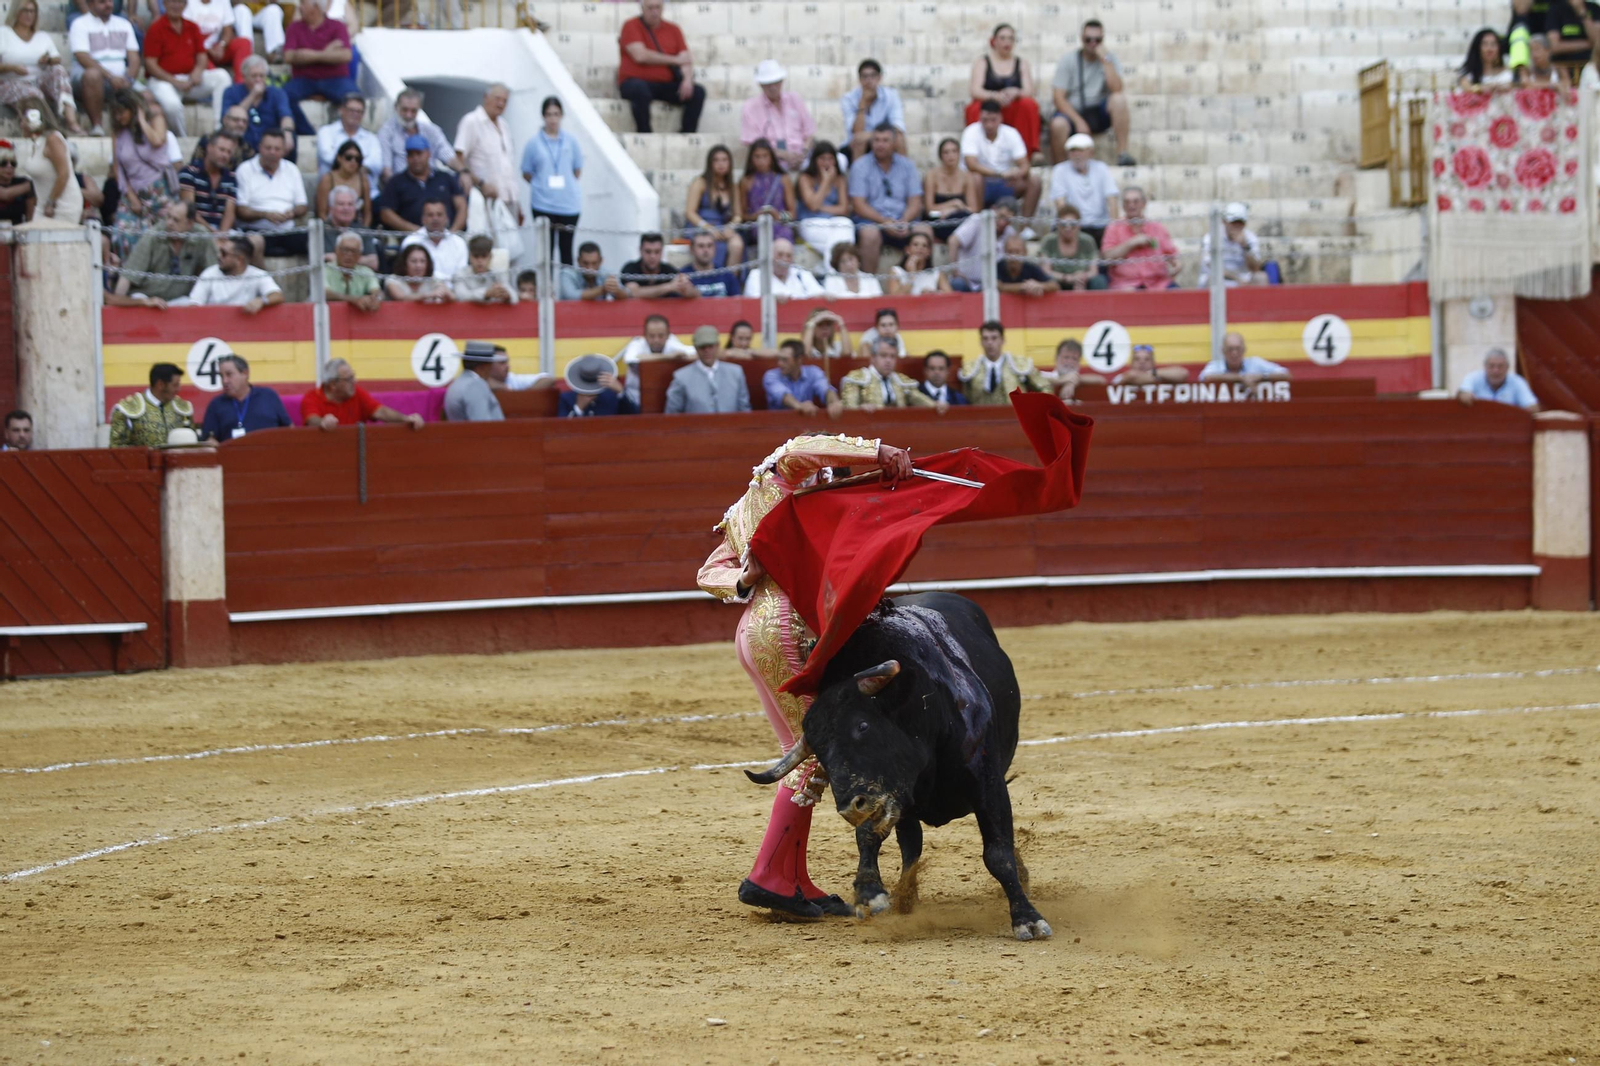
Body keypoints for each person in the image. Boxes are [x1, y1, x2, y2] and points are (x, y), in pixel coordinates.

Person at [696, 432, 913, 919]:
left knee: (800, 752)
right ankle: (768, 878)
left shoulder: (744, 508)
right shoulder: (786, 475)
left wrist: (742, 580)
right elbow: (800, 447)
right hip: (785, 628)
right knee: (815, 754)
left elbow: (708, 571)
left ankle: (792, 879)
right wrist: (878, 452)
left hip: (753, 630)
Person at [847, 123, 931, 273]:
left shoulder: (908, 166)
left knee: (925, 230)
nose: (880, 145)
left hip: (903, 220)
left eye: (885, 140)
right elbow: (858, 205)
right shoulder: (860, 166)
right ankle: (870, 282)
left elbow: (915, 201)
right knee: (869, 234)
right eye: (877, 140)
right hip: (873, 221)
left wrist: (904, 221)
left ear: (894, 143)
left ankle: (921, 281)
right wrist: (884, 221)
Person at [1049, 19, 1133, 166]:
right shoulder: (1068, 60)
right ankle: (1061, 167)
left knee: (1119, 100)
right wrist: (1078, 121)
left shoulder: (1109, 58)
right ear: (1082, 38)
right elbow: (1058, 98)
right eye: (1088, 39)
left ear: (1102, 39)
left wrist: (1105, 61)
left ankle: (1122, 154)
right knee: (1057, 124)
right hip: (1074, 112)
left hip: (1098, 111)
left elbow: (1117, 89)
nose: (1093, 43)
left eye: (1097, 40)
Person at [142, 0, 229, 136]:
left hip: (189, 79)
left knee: (222, 76)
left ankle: (219, 128)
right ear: (165, 4)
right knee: (172, 106)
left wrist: (197, 72)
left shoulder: (192, 26)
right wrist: (175, 81)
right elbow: (150, 64)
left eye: (180, 2)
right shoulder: (156, 28)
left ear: (185, 5)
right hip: (163, 81)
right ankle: (182, 138)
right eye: (172, 2)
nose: (176, 5)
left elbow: (202, 56)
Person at [106, 200, 216, 307]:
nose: (169, 223)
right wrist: (117, 304)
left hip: (179, 300)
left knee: (193, 304)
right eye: (168, 217)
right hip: (147, 299)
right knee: (138, 298)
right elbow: (128, 275)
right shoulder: (154, 235)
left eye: (176, 220)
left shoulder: (201, 237)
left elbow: (214, 274)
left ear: (189, 224)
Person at [617, 0, 703, 134]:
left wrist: (687, 80)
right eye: (650, 8)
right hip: (634, 81)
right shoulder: (630, 26)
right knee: (639, 90)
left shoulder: (673, 29)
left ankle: (687, 134)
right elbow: (640, 56)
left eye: (658, 7)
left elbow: (685, 59)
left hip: (664, 84)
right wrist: (675, 60)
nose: (654, 12)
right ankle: (645, 133)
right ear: (642, 8)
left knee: (697, 92)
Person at [109, 90, 175, 257]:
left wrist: (141, 120)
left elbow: (157, 141)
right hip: (132, 191)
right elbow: (118, 168)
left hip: (159, 190)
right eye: (115, 113)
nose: (118, 117)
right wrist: (131, 197)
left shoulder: (156, 119)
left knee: (163, 240)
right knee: (123, 236)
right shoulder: (117, 132)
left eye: (122, 112)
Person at [519, 95, 583, 265]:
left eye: (556, 114)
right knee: (545, 254)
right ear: (543, 116)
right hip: (543, 204)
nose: (553, 119)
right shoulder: (534, 143)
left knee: (566, 252)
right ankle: (547, 284)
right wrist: (542, 184)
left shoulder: (571, 141)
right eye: (549, 114)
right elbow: (526, 172)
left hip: (568, 204)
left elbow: (577, 170)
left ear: (561, 116)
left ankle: (566, 282)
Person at [1, 0, 82, 133]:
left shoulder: (42, 36)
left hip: (38, 79)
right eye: (25, 11)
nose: (29, 15)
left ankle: (71, 121)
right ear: (16, 12)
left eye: (32, 11)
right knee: (34, 93)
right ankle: (52, 129)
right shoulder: (4, 33)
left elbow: (57, 58)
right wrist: (12, 68)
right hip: (10, 82)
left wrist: (48, 60)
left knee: (59, 71)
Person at [964, 23, 1040, 157]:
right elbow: (975, 90)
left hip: (1012, 105)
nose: (1007, 42)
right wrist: (995, 96)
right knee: (975, 108)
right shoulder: (982, 62)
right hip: (990, 103)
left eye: (1011, 38)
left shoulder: (1022, 63)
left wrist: (1016, 92)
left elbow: (1029, 90)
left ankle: (1027, 153)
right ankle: (976, 153)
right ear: (994, 41)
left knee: (1029, 105)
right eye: (1003, 38)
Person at [282, 0, 357, 135]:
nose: (300, 7)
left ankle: (343, 134)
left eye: (303, 3)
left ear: (315, 7)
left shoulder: (337, 26)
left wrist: (309, 55)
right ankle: (307, 133)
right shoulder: (294, 27)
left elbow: (346, 55)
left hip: (335, 80)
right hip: (304, 80)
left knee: (354, 99)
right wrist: (327, 53)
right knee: (283, 97)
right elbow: (288, 56)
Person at [67, 0, 139, 135]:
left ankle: (137, 135)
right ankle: (97, 126)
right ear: (91, 4)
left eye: (110, 1)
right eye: (102, 2)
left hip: (122, 78)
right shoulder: (79, 24)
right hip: (90, 77)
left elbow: (134, 58)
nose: (109, 5)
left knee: (148, 96)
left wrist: (129, 79)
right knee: (92, 75)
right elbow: (82, 57)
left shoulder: (124, 24)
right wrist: (110, 77)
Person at [961, 99, 1040, 220]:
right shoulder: (971, 131)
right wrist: (999, 174)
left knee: (1034, 181)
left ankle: (1025, 226)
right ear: (980, 118)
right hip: (982, 184)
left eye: (993, 120)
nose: (989, 125)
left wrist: (1017, 174)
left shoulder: (1011, 133)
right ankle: (977, 222)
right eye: (985, 120)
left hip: (1006, 183)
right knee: (975, 178)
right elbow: (971, 164)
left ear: (1000, 118)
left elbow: (1024, 164)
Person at [454, 82, 521, 224]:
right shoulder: (471, 122)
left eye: (505, 101)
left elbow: (507, 165)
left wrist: (517, 202)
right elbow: (458, 160)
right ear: (486, 97)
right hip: (485, 200)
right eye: (497, 99)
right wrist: (481, 184)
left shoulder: (504, 125)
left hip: (509, 198)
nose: (501, 104)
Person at [234, 128, 307, 258]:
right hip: (256, 231)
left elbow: (302, 206)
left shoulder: (292, 169)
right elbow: (241, 210)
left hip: (287, 231)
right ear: (260, 147)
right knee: (252, 243)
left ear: (284, 151)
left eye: (277, 149)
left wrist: (292, 213)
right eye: (268, 148)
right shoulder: (245, 169)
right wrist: (265, 215)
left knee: (314, 241)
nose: (272, 152)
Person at [303, 357, 426, 430]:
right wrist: (323, 423)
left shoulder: (356, 393)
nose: (354, 381)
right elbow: (312, 420)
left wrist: (406, 419)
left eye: (353, 377)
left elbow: (380, 412)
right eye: (348, 379)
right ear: (332, 384)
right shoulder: (312, 397)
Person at [740, 59, 814, 173]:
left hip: (802, 156)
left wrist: (802, 154)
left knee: (837, 161)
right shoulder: (751, 107)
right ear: (761, 85)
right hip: (772, 159)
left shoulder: (795, 99)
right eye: (768, 84)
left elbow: (809, 133)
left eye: (776, 82)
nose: (772, 87)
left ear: (782, 81)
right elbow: (754, 144)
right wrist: (785, 155)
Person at [198, 352, 291, 440]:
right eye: (221, 376)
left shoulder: (268, 396)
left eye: (229, 374)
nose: (224, 381)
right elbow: (209, 439)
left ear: (245, 373)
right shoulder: (216, 404)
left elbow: (289, 429)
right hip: (231, 451)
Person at [380, 136, 465, 231]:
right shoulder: (396, 182)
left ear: (428, 154)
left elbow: (461, 206)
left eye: (419, 153)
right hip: (410, 236)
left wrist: (452, 233)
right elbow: (386, 212)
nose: (415, 158)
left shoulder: (445, 178)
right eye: (411, 155)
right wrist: (417, 232)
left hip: (447, 234)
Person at [377, 88, 465, 181]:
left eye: (413, 111)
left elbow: (448, 156)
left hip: (432, 183)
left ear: (419, 110)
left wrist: (464, 172)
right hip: (403, 184)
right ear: (396, 108)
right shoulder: (386, 133)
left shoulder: (431, 130)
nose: (408, 115)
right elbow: (386, 169)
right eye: (404, 110)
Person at [1101, 186, 1179, 291]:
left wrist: (1177, 266)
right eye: (1127, 202)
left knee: (1178, 294)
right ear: (1123, 206)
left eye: (1135, 201)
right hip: (1126, 285)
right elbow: (1107, 257)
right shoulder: (1114, 228)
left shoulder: (1157, 227)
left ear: (1144, 204)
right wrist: (1131, 243)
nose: (1131, 205)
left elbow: (1173, 256)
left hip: (1158, 284)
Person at [1049, 131, 1118, 246]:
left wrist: (1114, 228)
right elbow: (1060, 204)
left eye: (1080, 150)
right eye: (1073, 151)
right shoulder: (1060, 170)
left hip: (1099, 225)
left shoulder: (1101, 168)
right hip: (1072, 226)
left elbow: (1112, 199)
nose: (1076, 154)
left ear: (1090, 152)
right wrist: (1071, 226)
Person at [664, 324, 751, 414]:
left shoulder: (736, 373)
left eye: (710, 346)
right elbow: (673, 414)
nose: (707, 350)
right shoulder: (681, 377)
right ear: (696, 348)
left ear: (717, 346)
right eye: (702, 347)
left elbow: (744, 410)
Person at [15, 103, 79, 221]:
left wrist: (50, 203)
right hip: (42, 205)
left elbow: (63, 174)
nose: (21, 125)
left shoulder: (53, 139)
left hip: (61, 205)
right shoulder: (37, 143)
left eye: (22, 120)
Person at [795, 139, 853, 269]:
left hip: (834, 222)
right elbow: (812, 205)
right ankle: (838, 273)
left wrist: (821, 208)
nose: (826, 163)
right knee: (839, 243)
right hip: (811, 222)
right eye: (822, 159)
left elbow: (844, 209)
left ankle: (831, 273)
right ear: (814, 160)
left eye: (830, 159)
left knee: (847, 224)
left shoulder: (840, 179)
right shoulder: (805, 178)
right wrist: (826, 181)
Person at [961, 319, 1048, 404]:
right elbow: (963, 398)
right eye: (985, 339)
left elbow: (1045, 387)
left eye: (994, 338)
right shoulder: (970, 369)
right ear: (981, 342)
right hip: (980, 413)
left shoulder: (1020, 364)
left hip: (1014, 413)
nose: (990, 342)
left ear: (1002, 340)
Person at [220, 56, 294, 155]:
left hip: (269, 139)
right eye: (254, 76)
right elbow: (227, 119)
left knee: (290, 136)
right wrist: (252, 95)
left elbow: (286, 115)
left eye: (261, 76)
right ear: (244, 77)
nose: (258, 80)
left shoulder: (277, 93)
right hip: (243, 137)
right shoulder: (231, 92)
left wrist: (287, 132)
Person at [616, 312, 694, 407]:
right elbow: (630, 360)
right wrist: (668, 357)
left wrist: (681, 358)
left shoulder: (672, 343)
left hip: (666, 398)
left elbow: (695, 353)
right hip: (635, 400)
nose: (656, 340)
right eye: (652, 336)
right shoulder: (637, 344)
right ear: (644, 336)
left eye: (661, 336)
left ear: (668, 335)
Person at [684, 143, 743, 268]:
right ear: (710, 163)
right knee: (714, 244)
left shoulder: (733, 186)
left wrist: (731, 227)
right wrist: (708, 228)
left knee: (737, 244)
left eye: (724, 160)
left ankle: (729, 278)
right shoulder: (700, 182)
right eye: (716, 160)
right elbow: (690, 212)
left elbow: (738, 215)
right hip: (701, 226)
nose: (721, 164)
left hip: (723, 228)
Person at [188, 235, 284, 310]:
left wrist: (261, 301)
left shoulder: (257, 274)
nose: (219, 256)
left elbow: (277, 295)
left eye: (224, 253)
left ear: (239, 260)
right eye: (220, 251)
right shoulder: (209, 273)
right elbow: (194, 304)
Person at [109, 362, 195, 447]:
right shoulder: (127, 409)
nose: (178, 389)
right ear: (160, 384)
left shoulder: (183, 409)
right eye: (175, 385)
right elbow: (117, 449)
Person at [947, 196, 1018, 291]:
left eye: (1008, 220)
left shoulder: (1010, 233)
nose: (1003, 223)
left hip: (992, 285)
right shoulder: (977, 221)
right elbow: (953, 241)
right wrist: (955, 271)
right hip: (966, 281)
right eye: (1001, 216)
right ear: (993, 209)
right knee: (957, 284)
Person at [841, 337, 932, 410]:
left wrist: (936, 405)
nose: (888, 361)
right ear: (873, 358)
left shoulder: (902, 382)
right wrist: (860, 409)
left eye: (892, 356)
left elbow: (922, 400)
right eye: (883, 355)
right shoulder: (857, 379)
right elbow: (849, 408)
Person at [841, 58, 904, 159]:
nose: (869, 80)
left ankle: (903, 169)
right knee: (859, 140)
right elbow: (856, 131)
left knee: (899, 137)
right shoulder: (848, 98)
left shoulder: (891, 95)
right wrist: (862, 104)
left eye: (873, 76)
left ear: (879, 78)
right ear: (859, 79)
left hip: (884, 137)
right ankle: (859, 170)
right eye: (865, 76)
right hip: (857, 143)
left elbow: (898, 126)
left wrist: (875, 135)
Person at [315, 92, 381, 186]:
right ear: (341, 110)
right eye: (351, 110)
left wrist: (347, 163)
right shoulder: (326, 132)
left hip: (365, 191)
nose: (355, 114)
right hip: (333, 190)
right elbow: (327, 156)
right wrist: (359, 163)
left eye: (359, 111)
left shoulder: (371, 138)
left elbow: (376, 164)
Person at [764, 338, 841, 416]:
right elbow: (782, 395)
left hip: (806, 421)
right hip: (779, 422)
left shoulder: (813, 372)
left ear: (799, 359)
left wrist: (833, 402)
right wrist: (799, 406)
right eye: (779, 359)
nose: (779, 363)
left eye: (785, 360)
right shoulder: (771, 375)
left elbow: (826, 389)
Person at [739, 137, 795, 244]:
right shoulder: (746, 181)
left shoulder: (783, 179)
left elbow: (792, 213)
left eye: (765, 156)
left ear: (771, 157)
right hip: (757, 227)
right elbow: (743, 215)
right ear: (751, 158)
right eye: (757, 156)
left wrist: (778, 216)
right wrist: (756, 216)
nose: (761, 161)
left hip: (780, 227)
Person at [178, 127, 236, 230]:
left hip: (221, 233)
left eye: (229, 152)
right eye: (221, 150)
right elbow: (190, 212)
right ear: (209, 147)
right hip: (194, 231)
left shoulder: (231, 178)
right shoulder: (189, 173)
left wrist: (222, 235)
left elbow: (229, 214)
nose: (225, 155)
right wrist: (212, 233)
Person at [1198, 202, 1265, 288]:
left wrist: (1245, 247)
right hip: (1220, 279)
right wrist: (1236, 279)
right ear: (1224, 221)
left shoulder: (1250, 238)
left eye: (1240, 222)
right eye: (1233, 222)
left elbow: (1256, 269)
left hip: (1244, 279)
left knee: (1261, 277)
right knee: (1213, 279)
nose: (1237, 226)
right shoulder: (1211, 238)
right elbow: (1212, 267)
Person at [923, 135, 979, 238]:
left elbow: (973, 209)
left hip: (960, 220)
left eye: (954, 151)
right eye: (946, 152)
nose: (951, 155)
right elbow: (929, 209)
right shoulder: (932, 176)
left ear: (959, 154)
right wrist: (953, 203)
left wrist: (953, 210)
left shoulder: (966, 177)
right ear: (940, 156)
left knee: (969, 220)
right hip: (938, 219)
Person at [399, 199, 469, 278]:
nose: (435, 218)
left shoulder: (459, 243)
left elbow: (461, 276)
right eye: (430, 215)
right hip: (422, 286)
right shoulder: (410, 241)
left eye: (439, 215)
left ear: (447, 218)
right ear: (423, 219)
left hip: (453, 286)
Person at [1040, 206, 1105, 290]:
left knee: (1099, 281)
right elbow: (1046, 271)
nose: (1068, 228)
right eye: (1063, 224)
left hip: (1083, 280)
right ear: (1057, 225)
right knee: (1048, 280)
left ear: (1079, 225)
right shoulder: (1049, 241)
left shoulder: (1088, 241)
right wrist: (1067, 278)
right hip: (1058, 281)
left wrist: (1082, 277)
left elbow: (1094, 271)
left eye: (1073, 224)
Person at [314, 136, 373, 227]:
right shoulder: (328, 179)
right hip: (331, 227)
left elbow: (367, 213)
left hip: (356, 227)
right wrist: (331, 230)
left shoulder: (363, 180)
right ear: (339, 158)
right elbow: (321, 213)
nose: (353, 161)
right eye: (349, 157)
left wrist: (364, 230)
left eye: (357, 159)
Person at [186, 0, 249, 83]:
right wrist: (208, 49)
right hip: (197, 50)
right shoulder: (188, 3)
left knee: (244, 43)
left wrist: (222, 45)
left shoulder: (223, 1)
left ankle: (241, 82)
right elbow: (187, 34)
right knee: (214, 73)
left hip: (216, 47)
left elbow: (228, 28)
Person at [1456, 347, 1540, 410]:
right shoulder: (1473, 378)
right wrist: (1464, 395)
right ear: (1485, 366)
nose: (1496, 370)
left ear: (1507, 368)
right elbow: (1463, 392)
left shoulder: (1517, 381)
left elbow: (1533, 406)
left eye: (1500, 366)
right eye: (1491, 366)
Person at [443, 340, 507, 422]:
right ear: (483, 366)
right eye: (490, 364)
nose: (491, 368)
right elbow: (482, 423)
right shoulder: (475, 385)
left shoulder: (458, 383)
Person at [743, 237, 824, 300]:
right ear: (771, 256)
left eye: (788, 256)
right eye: (780, 254)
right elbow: (754, 301)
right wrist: (774, 299)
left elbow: (820, 295)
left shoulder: (802, 274)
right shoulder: (757, 275)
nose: (784, 259)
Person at [622, 230, 697, 298]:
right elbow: (634, 293)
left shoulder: (669, 270)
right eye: (648, 251)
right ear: (640, 250)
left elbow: (695, 295)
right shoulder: (630, 268)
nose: (652, 256)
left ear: (662, 251)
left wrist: (685, 286)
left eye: (657, 252)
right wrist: (669, 287)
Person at [323, 230, 383, 311]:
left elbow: (377, 291)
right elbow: (325, 293)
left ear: (360, 254)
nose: (349, 255)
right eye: (345, 250)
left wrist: (376, 299)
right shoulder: (325, 270)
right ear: (336, 250)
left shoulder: (366, 272)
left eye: (354, 251)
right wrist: (353, 299)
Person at [1199, 331, 1290, 383]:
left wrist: (1261, 377)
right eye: (1230, 349)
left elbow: (1286, 374)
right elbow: (1205, 378)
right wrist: (1241, 378)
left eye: (1238, 349)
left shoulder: (1255, 363)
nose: (1234, 353)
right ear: (1223, 351)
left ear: (1244, 350)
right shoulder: (1216, 365)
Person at [559, 356, 636, 417]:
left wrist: (621, 392)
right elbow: (561, 428)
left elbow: (635, 418)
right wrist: (578, 408)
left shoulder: (611, 396)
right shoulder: (566, 399)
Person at [320, 185, 376, 267]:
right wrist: (359, 259)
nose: (346, 208)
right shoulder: (320, 231)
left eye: (350, 204)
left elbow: (373, 262)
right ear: (331, 208)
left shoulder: (363, 230)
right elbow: (317, 259)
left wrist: (340, 259)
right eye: (341, 204)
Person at [453, 233, 516, 305]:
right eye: (476, 256)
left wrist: (507, 296)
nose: (480, 261)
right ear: (470, 256)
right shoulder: (460, 274)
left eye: (484, 256)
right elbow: (461, 296)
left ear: (490, 257)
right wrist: (486, 293)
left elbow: (514, 296)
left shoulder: (498, 274)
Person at [384, 242, 452, 303]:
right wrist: (428, 295)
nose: (418, 265)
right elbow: (401, 298)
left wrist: (444, 292)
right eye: (414, 261)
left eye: (422, 261)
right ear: (404, 263)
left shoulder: (433, 280)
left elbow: (453, 298)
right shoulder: (393, 280)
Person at [888, 230, 950, 296]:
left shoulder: (936, 273)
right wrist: (911, 276)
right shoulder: (896, 271)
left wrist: (934, 293)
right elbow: (895, 298)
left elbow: (950, 296)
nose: (920, 248)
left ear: (929, 252)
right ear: (907, 250)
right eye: (915, 245)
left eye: (924, 245)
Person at [559, 240, 625, 300]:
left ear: (601, 261)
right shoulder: (567, 273)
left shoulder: (607, 273)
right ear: (578, 260)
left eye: (594, 263)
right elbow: (571, 296)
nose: (590, 268)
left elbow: (626, 295)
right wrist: (602, 290)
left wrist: (616, 290)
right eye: (585, 263)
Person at [684, 230, 741, 296]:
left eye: (709, 245)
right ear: (691, 249)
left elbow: (737, 300)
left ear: (715, 248)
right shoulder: (684, 277)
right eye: (701, 246)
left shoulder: (727, 276)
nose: (706, 250)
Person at [232, 0, 285, 65]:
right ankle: (247, 53)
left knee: (274, 9)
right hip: (242, 11)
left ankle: (274, 52)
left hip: (260, 12)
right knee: (241, 10)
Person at [1112, 342, 1187, 386]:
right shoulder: (1120, 377)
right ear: (1132, 362)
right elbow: (1132, 376)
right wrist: (1155, 377)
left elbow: (1182, 373)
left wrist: (1153, 373)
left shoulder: (1157, 374)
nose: (1142, 362)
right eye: (1137, 359)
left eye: (1147, 359)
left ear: (1153, 362)